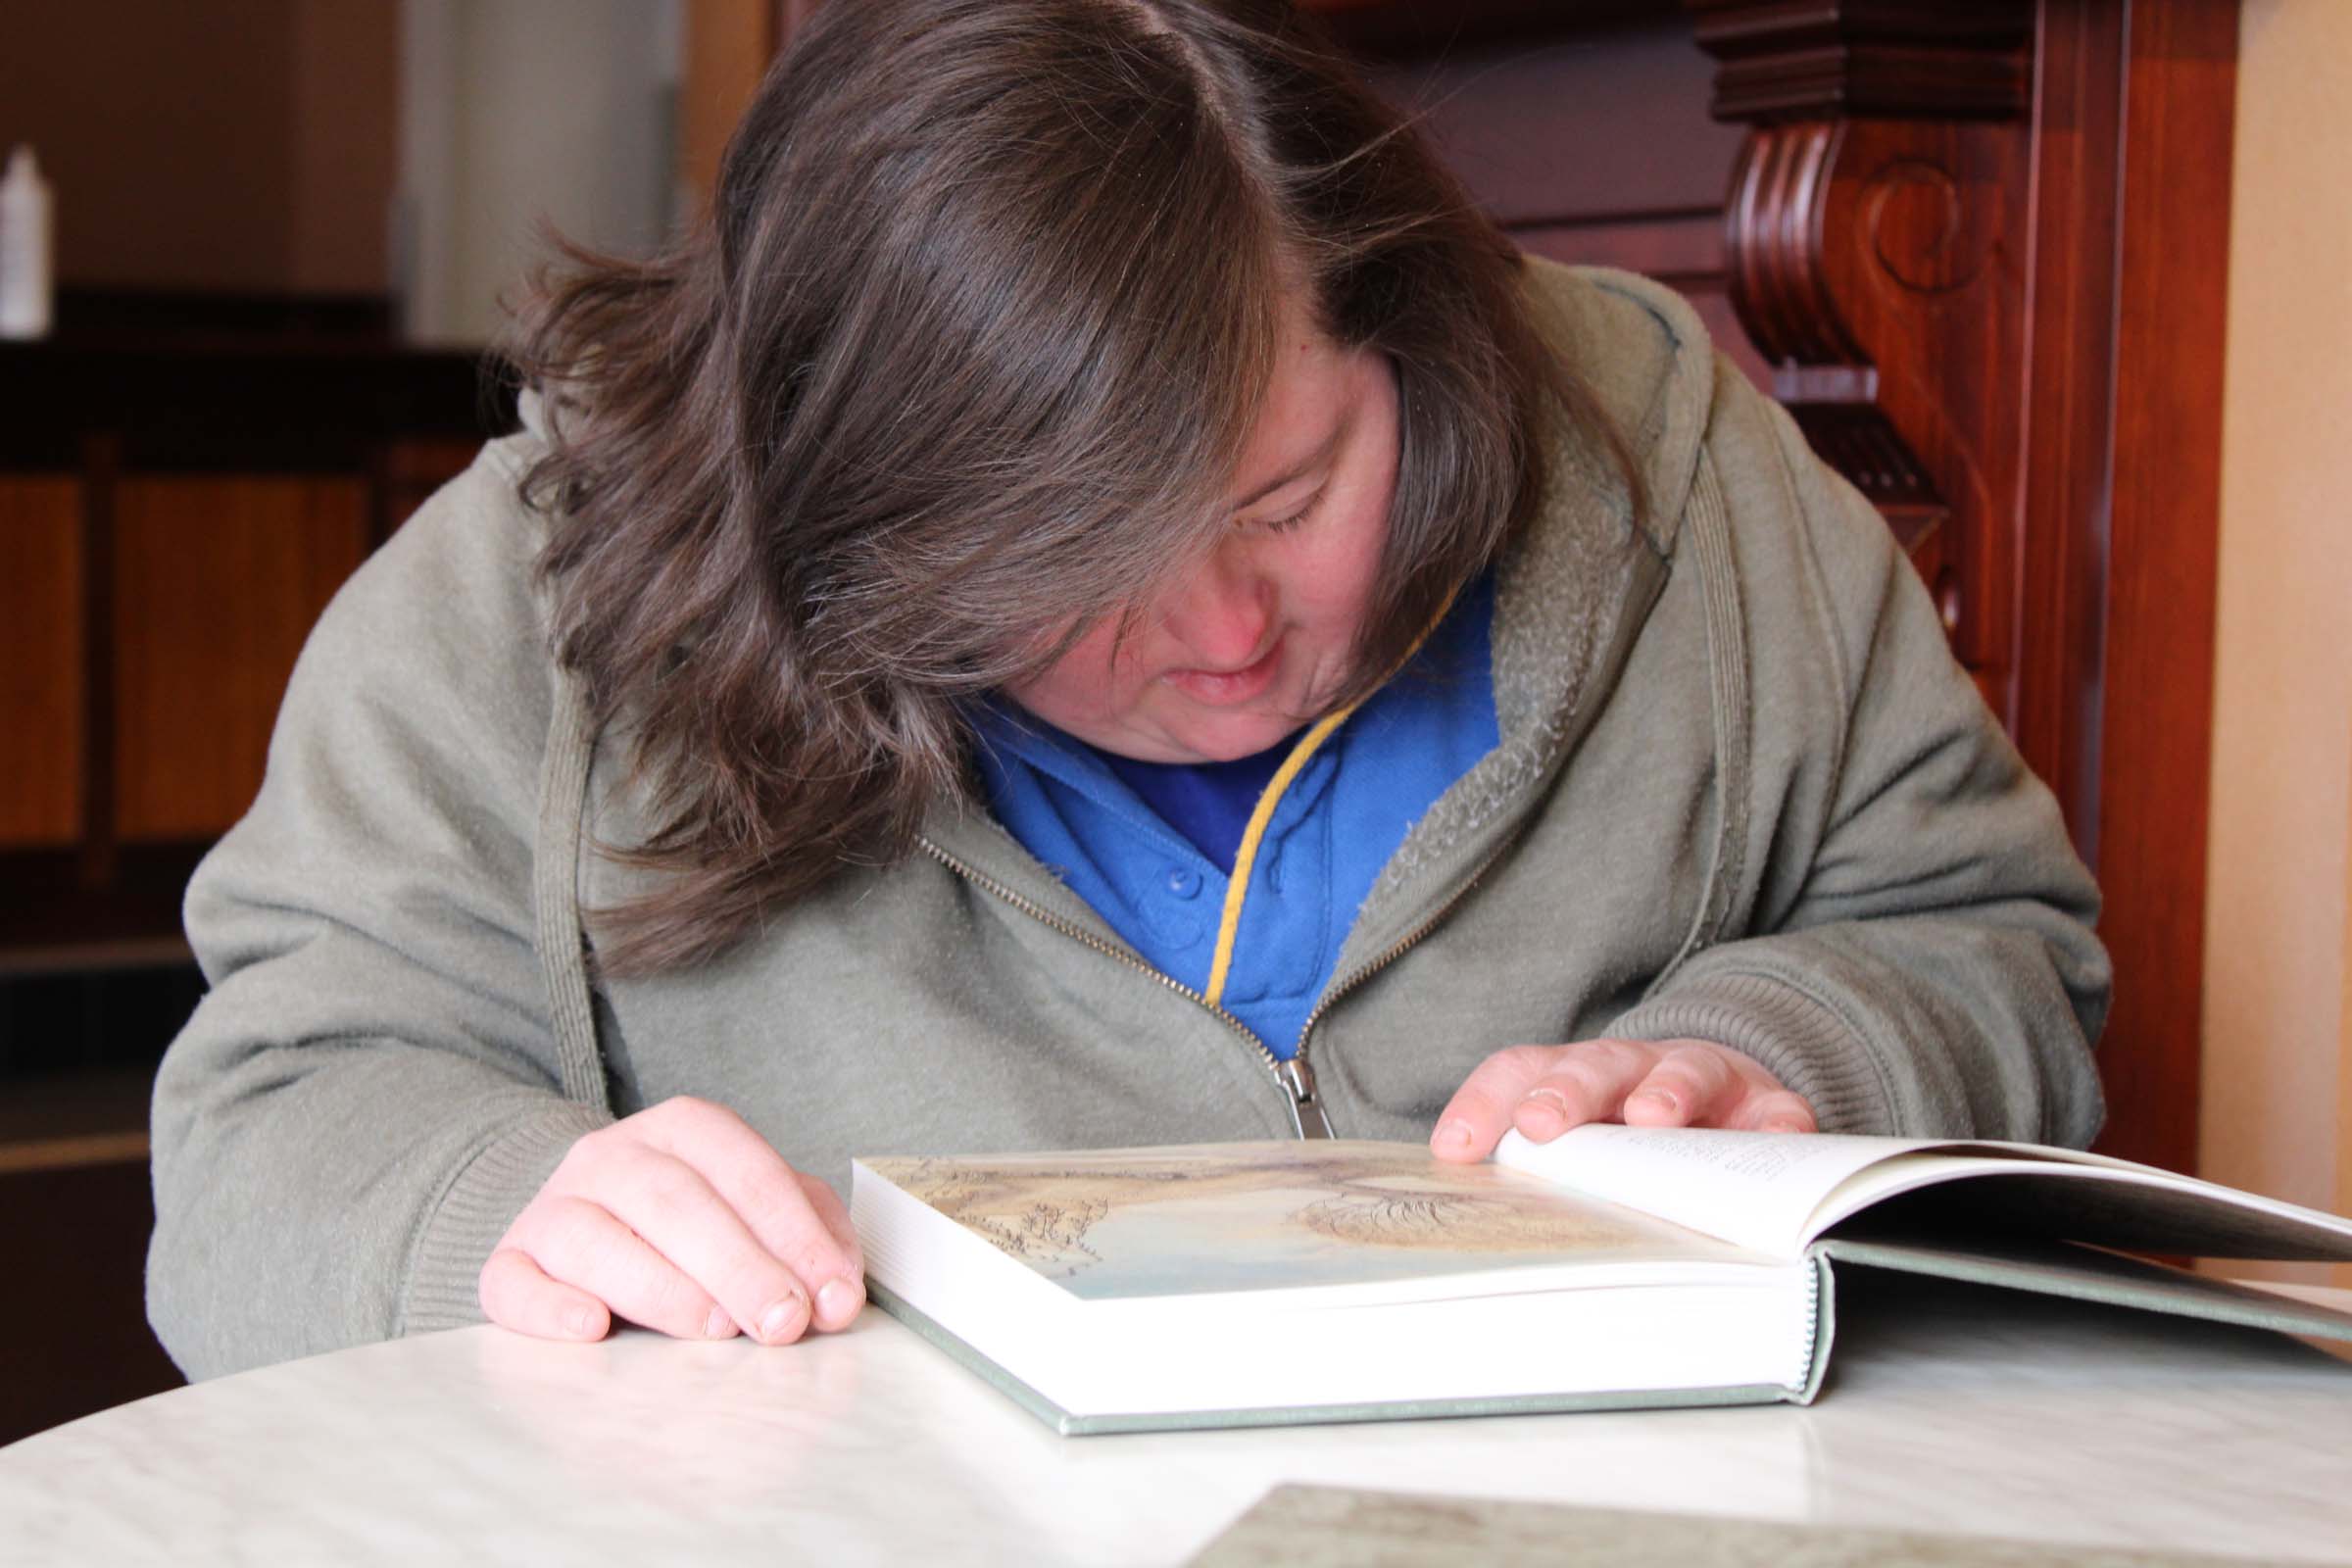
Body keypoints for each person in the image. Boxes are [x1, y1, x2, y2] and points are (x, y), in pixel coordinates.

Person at [146, 0, 2110, 1381]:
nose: (1228, 633)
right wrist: (489, 1203)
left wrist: (1784, 1046)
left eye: (1295, 492)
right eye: (1069, 580)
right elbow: (268, 1126)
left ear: (1403, 334)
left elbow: (1990, 936)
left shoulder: (1679, 476)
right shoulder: (537, 596)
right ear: (857, 533)